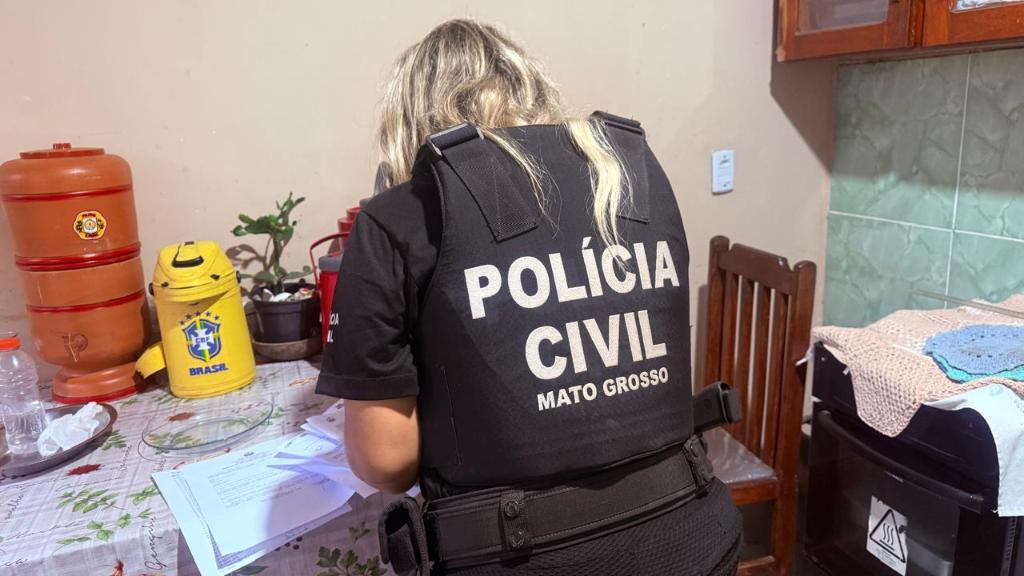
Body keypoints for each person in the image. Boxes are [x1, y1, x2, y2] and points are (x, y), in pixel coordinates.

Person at [316, 19, 742, 576]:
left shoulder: (399, 217)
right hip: (697, 542)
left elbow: (386, 462)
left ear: (407, 120)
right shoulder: (630, 176)